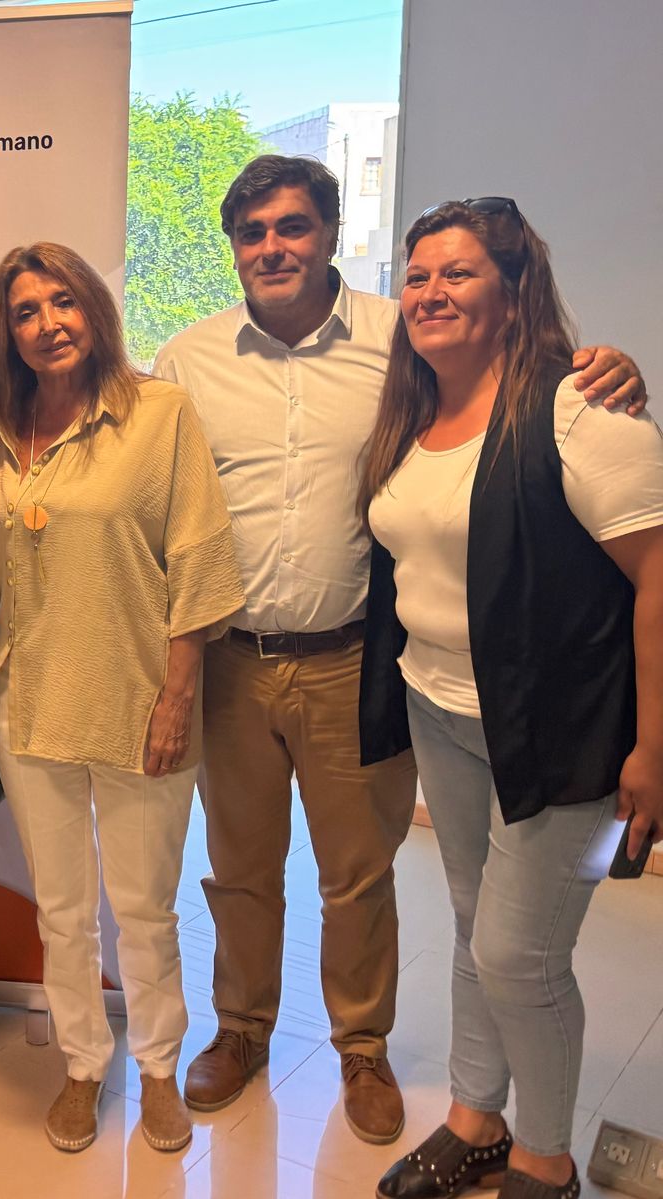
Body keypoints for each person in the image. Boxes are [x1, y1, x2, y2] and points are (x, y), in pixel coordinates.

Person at [151, 154, 647, 1145]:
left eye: (293, 226)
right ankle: (241, 1027)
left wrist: (608, 365)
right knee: (237, 865)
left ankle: (360, 1044)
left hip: (356, 661)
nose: (272, 247)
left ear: (331, 233)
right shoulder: (187, 361)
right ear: (234, 248)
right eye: (251, 233)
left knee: (357, 873)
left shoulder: (402, 341)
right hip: (233, 661)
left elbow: (517, 377)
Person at [358, 198, 663, 1199]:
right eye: (417, 276)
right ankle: (475, 1120)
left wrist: (653, 751)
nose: (430, 292)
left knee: (518, 955)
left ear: (513, 289)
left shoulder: (580, 410)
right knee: (469, 921)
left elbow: (658, 579)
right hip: (440, 710)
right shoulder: (411, 414)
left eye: (458, 273)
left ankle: (544, 1158)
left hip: (566, 735)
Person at [0, 242, 246, 1156]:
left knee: (145, 907)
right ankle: (83, 1063)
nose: (48, 323)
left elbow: (199, 556)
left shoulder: (158, 414)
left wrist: (177, 696)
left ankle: (158, 1066)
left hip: (138, 699)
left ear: (94, 308)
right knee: (61, 908)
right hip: (29, 699)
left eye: (64, 302)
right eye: (26, 311)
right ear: (6, 333)